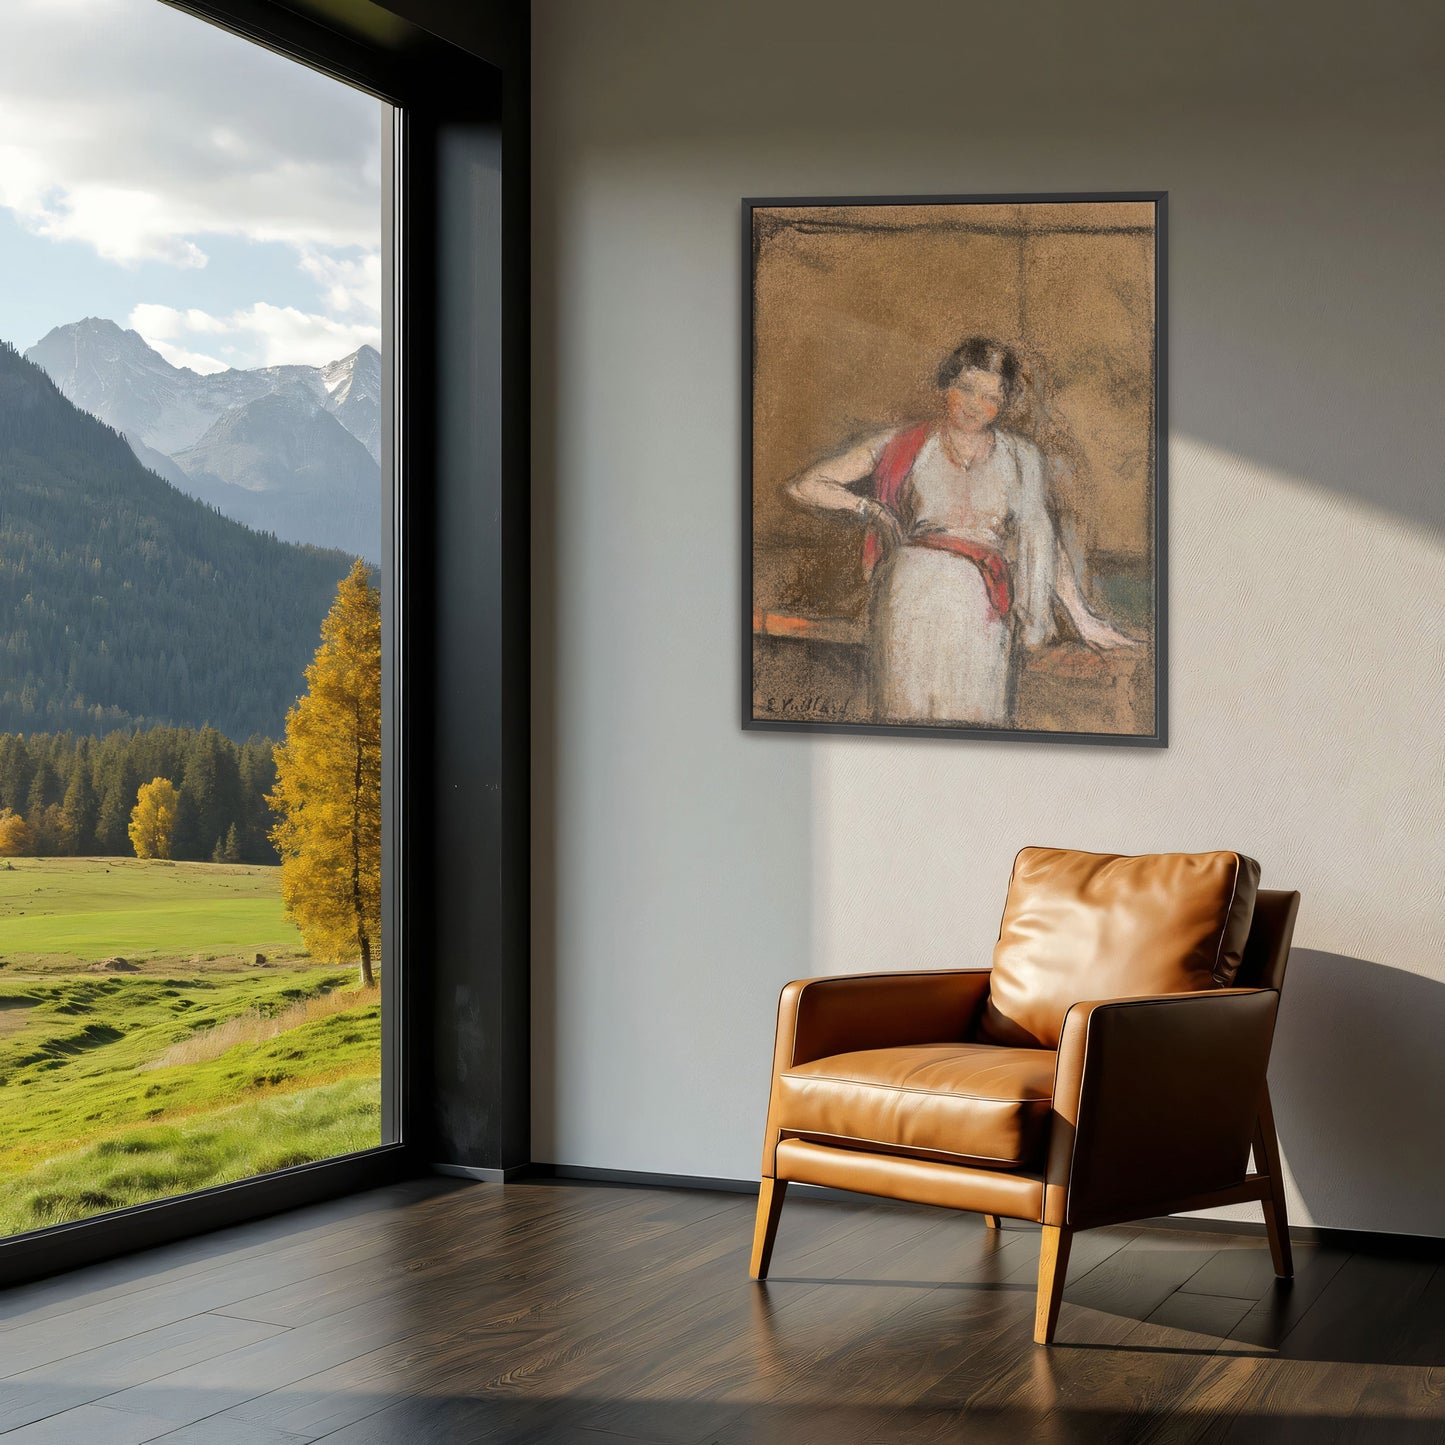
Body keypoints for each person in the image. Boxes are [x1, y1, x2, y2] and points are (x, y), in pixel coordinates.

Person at [787, 337, 1135, 727]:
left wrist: (1082, 618)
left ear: (1003, 404)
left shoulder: (1021, 458)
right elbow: (805, 485)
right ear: (947, 385)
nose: (973, 405)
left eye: (989, 397)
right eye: (966, 389)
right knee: (905, 719)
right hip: (911, 600)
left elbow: (1042, 541)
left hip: (981, 606)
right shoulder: (905, 443)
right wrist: (872, 509)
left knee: (977, 721)